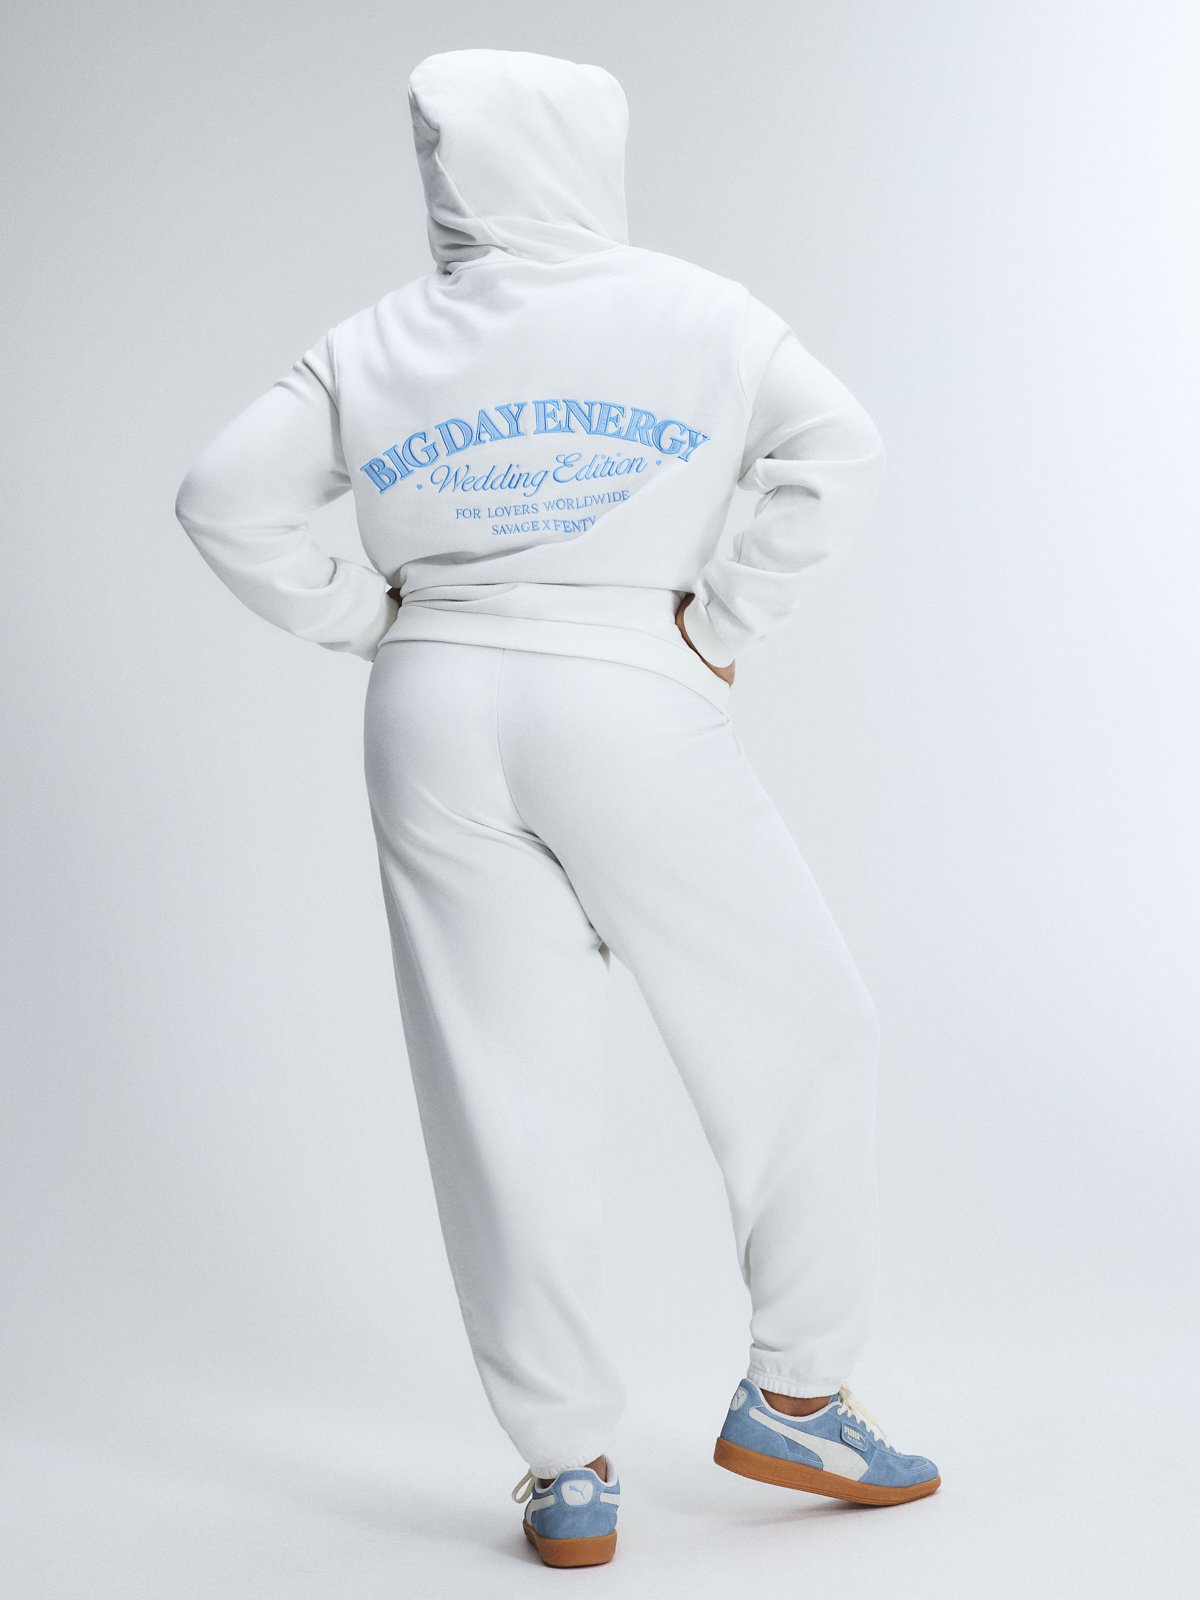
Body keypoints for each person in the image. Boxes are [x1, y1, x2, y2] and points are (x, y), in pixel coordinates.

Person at [174, 46, 940, 1570]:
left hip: (431, 704)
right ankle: (797, 1392)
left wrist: (369, 619)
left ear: (443, 170)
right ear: (596, 152)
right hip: (623, 690)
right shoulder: (698, 313)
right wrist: (725, 619)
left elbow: (220, 497)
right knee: (800, 1029)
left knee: (502, 1084)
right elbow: (838, 445)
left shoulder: (373, 341)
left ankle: (565, 1470)